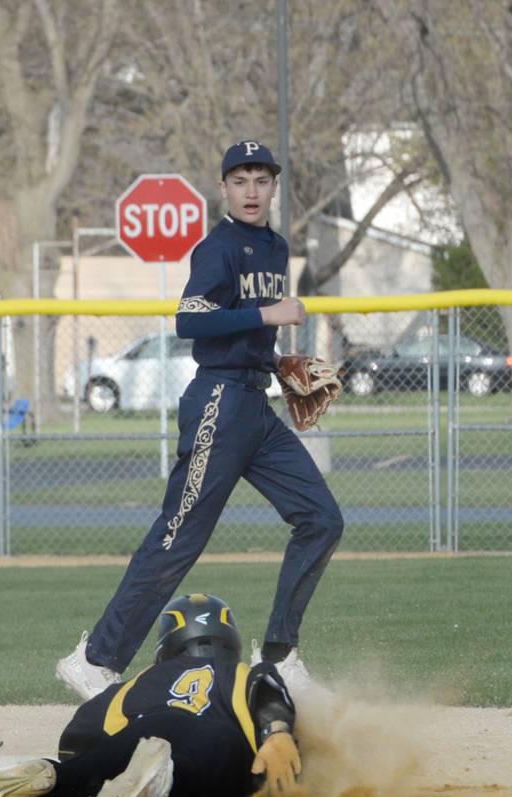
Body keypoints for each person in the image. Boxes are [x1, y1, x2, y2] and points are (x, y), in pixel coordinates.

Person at [56, 140, 342, 702]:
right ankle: (94, 661)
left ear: (274, 188)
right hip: (217, 402)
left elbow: (245, 328)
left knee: (321, 518)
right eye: (241, 180)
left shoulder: (276, 248)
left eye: (262, 180)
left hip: (254, 405)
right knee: (177, 537)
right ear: (225, 189)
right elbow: (190, 318)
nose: (252, 190)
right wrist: (268, 315)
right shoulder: (219, 248)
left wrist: (273, 358)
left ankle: (280, 657)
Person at [0, 593, 301, 797]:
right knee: (224, 776)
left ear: (168, 645)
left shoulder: (140, 680)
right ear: (230, 643)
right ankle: (164, 780)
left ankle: (49, 777)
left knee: (86, 774)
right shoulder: (241, 671)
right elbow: (267, 690)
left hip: (142, 727)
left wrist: (85, 761)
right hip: (212, 733)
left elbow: (79, 733)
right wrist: (277, 732)